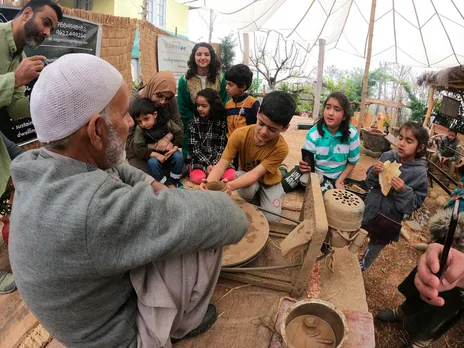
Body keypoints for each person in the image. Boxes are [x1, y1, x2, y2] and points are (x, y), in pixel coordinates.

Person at [9, 53, 248, 348]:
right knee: (204, 237)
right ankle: (184, 323)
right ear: (96, 130)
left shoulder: (39, 163)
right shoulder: (94, 208)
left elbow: (118, 169)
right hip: (122, 337)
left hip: (84, 319)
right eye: (125, 116)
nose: (129, 124)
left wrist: (158, 193)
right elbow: (230, 218)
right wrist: (170, 204)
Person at [0, 0, 62, 295]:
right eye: (46, 22)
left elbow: (13, 108)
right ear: (26, 13)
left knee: (26, 169)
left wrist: (47, 95)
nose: (47, 32)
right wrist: (17, 78)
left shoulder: (19, 56)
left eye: (52, 28)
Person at [201, 91, 296, 222]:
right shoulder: (239, 134)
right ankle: (257, 199)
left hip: (269, 182)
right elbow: (222, 164)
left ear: (285, 128)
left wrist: (230, 186)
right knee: (248, 190)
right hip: (246, 175)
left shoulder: (281, 148)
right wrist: (208, 184)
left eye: (272, 129)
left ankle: (281, 174)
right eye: (261, 123)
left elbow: (256, 173)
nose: (263, 131)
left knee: (272, 219)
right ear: (257, 113)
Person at [360, 121, 429, 271]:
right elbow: (369, 182)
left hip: (388, 220)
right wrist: (374, 172)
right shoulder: (388, 156)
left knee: (375, 246)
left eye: (409, 141)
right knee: (357, 235)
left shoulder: (420, 174)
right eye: (401, 138)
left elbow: (414, 204)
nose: (402, 143)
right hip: (370, 207)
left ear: (421, 147)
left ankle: (362, 266)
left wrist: (403, 191)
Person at [376, 234, 464, 348]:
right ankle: (401, 312)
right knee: (421, 289)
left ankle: (419, 342)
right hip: (454, 247)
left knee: (439, 311)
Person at [297, 92, 360, 194]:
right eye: (328, 107)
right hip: (315, 173)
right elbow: (309, 164)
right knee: (287, 182)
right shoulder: (313, 133)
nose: (330, 113)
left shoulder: (352, 135)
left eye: (337, 109)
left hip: (334, 177)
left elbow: (352, 163)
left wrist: (339, 182)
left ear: (344, 116)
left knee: (317, 195)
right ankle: (283, 170)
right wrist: (304, 167)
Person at [178, 42, 229, 158]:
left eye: (206, 54)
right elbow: (183, 108)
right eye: (199, 54)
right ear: (193, 57)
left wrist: (214, 120)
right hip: (193, 128)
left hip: (217, 127)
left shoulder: (221, 79)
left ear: (211, 57)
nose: (202, 58)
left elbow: (225, 102)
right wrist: (197, 124)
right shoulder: (184, 81)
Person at [127, 71, 183, 174]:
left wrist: (166, 139)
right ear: (152, 87)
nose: (162, 102)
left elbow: (178, 125)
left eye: (166, 98)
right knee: (146, 177)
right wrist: (154, 146)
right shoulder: (133, 103)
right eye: (159, 95)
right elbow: (129, 140)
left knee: (180, 167)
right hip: (140, 151)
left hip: (166, 147)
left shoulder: (170, 100)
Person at [130, 98, 184, 188]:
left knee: (179, 157)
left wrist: (174, 148)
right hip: (152, 154)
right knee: (152, 163)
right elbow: (139, 148)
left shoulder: (167, 122)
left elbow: (179, 133)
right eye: (139, 121)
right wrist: (156, 155)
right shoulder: (140, 129)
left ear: (155, 114)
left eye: (146, 119)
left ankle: (175, 178)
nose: (143, 124)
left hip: (169, 150)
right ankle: (163, 182)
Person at [187, 88, 234, 185]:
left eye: (204, 106)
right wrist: (208, 164)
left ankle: (214, 174)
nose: (200, 109)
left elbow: (222, 148)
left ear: (213, 106)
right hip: (199, 159)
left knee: (231, 176)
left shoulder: (221, 122)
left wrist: (215, 165)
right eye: (198, 105)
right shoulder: (193, 122)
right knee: (198, 178)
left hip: (219, 159)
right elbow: (195, 150)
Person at [224, 64, 260, 138]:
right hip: (231, 146)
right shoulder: (228, 105)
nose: (226, 88)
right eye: (226, 84)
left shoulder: (252, 103)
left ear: (243, 87)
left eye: (230, 85)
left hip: (247, 146)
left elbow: (259, 126)